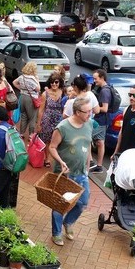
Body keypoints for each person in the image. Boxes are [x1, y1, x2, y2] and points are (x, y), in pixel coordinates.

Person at [47, 97, 93, 246]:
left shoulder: (89, 124)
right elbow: (52, 147)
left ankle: (69, 222)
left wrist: (87, 165)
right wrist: (60, 162)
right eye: (87, 112)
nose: (90, 114)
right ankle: (56, 233)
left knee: (82, 202)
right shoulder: (63, 127)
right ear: (77, 112)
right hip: (64, 174)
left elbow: (88, 144)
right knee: (60, 204)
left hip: (81, 173)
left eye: (90, 110)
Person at [35, 73, 64, 167]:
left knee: (58, 140)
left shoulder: (63, 92)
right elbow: (41, 110)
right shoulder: (45, 94)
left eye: (56, 82)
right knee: (46, 140)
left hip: (59, 120)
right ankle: (47, 159)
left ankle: (58, 159)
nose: (54, 84)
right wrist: (39, 124)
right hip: (47, 119)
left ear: (59, 82)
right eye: (52, 82)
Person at [89, 69, 111, 173]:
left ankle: (90, 161)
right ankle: (99, 166)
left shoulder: (104, 91)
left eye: (96, 78)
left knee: (86, 138)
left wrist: (93, 108)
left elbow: (105, 108)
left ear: (102, 78)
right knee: (100, 142)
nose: (94, 81)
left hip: (100, 120)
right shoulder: (107, 87)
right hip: (104, 120)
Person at [13, 62, 40, 142]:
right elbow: (38, 89)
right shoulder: (32, 78)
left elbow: (14, 82)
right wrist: (37, 80)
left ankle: (21, 133)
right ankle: (31, 135)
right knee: (32, 117)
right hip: (31, 99)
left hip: (22, 97)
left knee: (24, 116)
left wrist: (21, 89)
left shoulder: (22, 77)